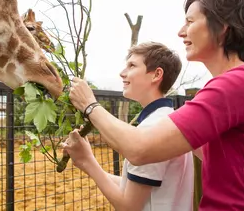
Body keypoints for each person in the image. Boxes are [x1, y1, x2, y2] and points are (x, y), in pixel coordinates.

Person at [63, 0, 244, 211]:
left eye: (190, 21)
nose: (181, 31)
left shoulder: (237, 84)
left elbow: (140, 149)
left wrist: (89, 105)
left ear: (222, 28)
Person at [62, 42, 194, 211]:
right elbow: (134, 187)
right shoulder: (168, 120)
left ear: (156, 74)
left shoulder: (153, 128)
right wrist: (86, 162)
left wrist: (88, 161)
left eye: (132, 65)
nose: (122, 73)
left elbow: (129, 206)